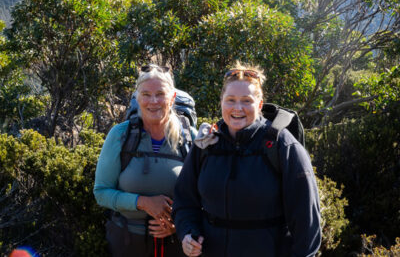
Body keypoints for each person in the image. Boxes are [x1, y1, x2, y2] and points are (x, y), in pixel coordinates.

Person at [173, 62, 321, 257]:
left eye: (246, 101)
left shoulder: (282, 146)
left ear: (259, 105)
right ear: (221, 102)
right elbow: (184, 201)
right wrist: (188, 234)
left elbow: (307, 223)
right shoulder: (207, 144)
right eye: (231, 100)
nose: (238, 108)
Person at [94, 64, 196, 257]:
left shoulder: (190, 137)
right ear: (137, 97)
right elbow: (101, 192)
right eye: (146, 94)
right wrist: (142, 202)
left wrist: (178, 222)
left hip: (176, 246)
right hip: (127, 244)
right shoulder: (120, 135)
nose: (153, 101)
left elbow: (205, 196)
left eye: (160, 94)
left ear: (172, 97)